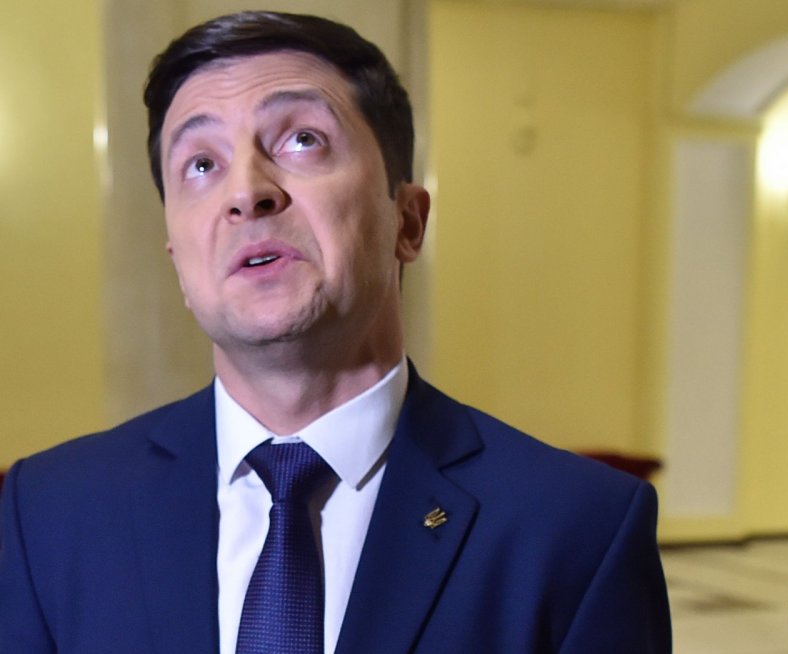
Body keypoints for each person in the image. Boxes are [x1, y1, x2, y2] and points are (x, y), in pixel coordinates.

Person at [0, 10, 671, 653]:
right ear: (179, 261)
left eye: (302, 139)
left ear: (407, 221)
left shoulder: (577, 530)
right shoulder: (51, 512)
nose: (247, 193)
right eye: (201, 164)